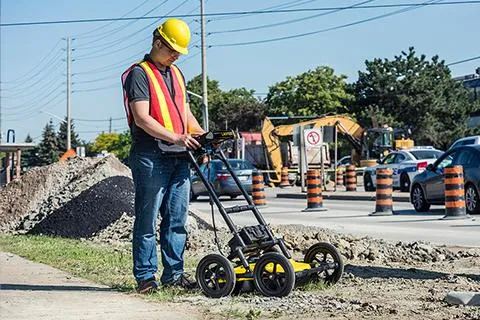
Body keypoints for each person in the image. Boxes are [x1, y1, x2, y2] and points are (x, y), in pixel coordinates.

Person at [121, 18, 205, 293]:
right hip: (151, 155)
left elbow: (185, 112)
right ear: (157, 43)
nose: (176, 55)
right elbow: (142, 118)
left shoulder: (177, 73)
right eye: (172, 50)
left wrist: (200, 134)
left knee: (177, 219)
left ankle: (174, 275)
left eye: (179, 52)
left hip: (179, 158)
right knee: (147, 220)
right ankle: (146, 278)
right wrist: (176, 137)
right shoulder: (139, 74)